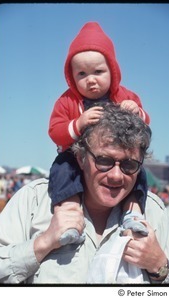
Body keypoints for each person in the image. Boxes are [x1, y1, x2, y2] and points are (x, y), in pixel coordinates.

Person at [0, 104, 169, 284]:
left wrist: (159, 266)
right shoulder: (33, 200)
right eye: (104, 161)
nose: (116, 175)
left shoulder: (154, 211)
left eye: (129, 165)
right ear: (81, 158)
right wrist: (43, 242)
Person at [48, 21, 150, 245]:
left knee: (136, 170)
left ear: (113, 71)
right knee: (62, 169)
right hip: (76, 155)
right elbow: (55, 131)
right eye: (82, 74)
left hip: (118, 155)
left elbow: (145, 127)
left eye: (99, 71)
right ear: (71, 77)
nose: (91, 79)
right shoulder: (67, 101)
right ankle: (70, 212)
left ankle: (133, 210)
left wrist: (138, 112)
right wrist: (77, 124)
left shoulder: (126, 96)